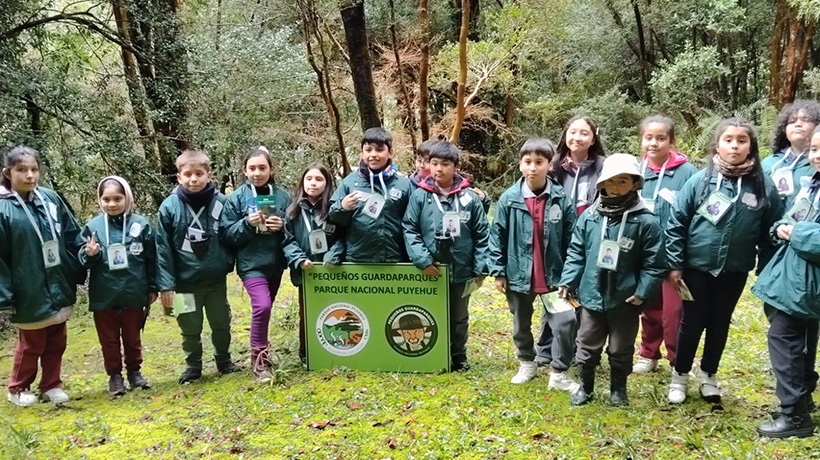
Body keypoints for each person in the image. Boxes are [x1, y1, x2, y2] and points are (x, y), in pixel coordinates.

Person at [665, 118, 784, 404]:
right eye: (728, 139)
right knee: (692, 322)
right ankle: (679, 377)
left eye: (741, 140)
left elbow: (773, 229)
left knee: (720, 323)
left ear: (751, 147)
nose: (734, 145)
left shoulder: (762, 185)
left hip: (734, 268)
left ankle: (708, 376)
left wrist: (767, 268)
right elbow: (676, 223)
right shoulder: (700, 180)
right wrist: (674, 264)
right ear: (717, 145)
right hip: (696, 266)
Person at [558, 153, 665, 406]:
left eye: (623, 181)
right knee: (587, 344)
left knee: (621, 348)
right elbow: (576, 252)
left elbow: (655, 263)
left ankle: (619, 389)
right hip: (591, 297)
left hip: (625, 300)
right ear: (602, 183)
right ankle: (586, 388)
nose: (616, 187)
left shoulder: (646, 222)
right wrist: (567, 281)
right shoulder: (590, 217)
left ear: (635, 184)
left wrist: (642, 292)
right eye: (611, 181)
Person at [489, 138, 578, 387]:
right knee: (521, 325)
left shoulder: (561, 198)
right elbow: (496, 237)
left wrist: (570, 276)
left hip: (554, 277)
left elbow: (574, 241)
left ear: (550, 165)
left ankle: (559, 372)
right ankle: (527, 363)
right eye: (528, 162)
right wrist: (498, 272)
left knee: (565, 322)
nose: (533, 168)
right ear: (520, 165)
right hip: (519, 276)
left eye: (539, 162)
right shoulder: (509, 199)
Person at [0, 146, 85, 406]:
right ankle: (18, 387)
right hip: (28, 288)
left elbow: (72, 235)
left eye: (34, 169)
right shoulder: (3, 209)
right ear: (7, 172)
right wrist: (5, 296)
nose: (29, 176)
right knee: (31, 343)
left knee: (57, 339)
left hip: (57, 282)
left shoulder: (49, 199)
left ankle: (51, 384)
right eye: (22, 170)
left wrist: (81, 261)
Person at [752, 127, 820, 439]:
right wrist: (781, 227)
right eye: (815, 149)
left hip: (809, 280)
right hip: (795, 278)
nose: (817, 156)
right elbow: (792, 217)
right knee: (795, 337)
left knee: (783, 339)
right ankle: (802, 398)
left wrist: (796, 233)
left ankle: (794, 415)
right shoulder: (813, 184)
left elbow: (804, 232)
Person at [403, 140, 490, 371]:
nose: (439, 169)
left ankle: (458, 355)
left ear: (456, 166)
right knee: (428, 313)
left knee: (459, 316)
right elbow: (409, 228)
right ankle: (432, 353)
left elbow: (482, 234)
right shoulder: (420, 196)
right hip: (431, 270)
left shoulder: (469, 198)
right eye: (434, 163)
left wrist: (480, 269)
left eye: (445, 164)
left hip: (461, 270)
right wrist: (423, 260)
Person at [157, 150, 240, 385]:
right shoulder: (169, 207)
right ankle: (193, 366)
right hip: (184, 283)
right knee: (189, 327)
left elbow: (232, 237)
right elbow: (163, 249)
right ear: (178, 177)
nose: (193, 179)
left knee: (221, 323)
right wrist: (166, 286)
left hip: (215, 281)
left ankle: (224, 361)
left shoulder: (222, 203)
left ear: (209, 175)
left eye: (199, 174)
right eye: (188, 174)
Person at [79, 176, 157, 396]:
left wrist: (152, 287)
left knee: (133, 337)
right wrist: (90, 254)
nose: (112, 204)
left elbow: (151, 258)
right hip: (105, 294)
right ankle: (114, 377)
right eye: (106, 199)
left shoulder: (140, 224)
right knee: (109, 340)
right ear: (100, 200)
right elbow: (81, 258)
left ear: (127, 198)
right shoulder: (93, 227)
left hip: (134, 291)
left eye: (117, 198)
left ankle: (135, 373)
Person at [539, 116, 606, 365]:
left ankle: (582, 351)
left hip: (590, 241)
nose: (577, 138)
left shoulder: (602, 166)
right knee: (553, 294)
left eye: (584, 133)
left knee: (584, 297)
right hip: (557, 240)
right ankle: (546, 351)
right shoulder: (553, 165)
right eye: (572, 132)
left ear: (593, 137)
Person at [632, 115, 698, 374]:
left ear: (672, 141)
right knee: (649, 309)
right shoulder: (636, 171)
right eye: (648, 138)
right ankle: (648, 354)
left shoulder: (688, 174)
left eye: (661, 138)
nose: (654, 143)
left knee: (674, 313)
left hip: (675, 256)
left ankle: (677, 359)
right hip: (644, 256)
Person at [221, 146, 291, 382]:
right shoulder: (236, 198)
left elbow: (294, 228)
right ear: (244, 170)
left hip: (275, 263)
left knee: (266, 308)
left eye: (262, 168)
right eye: (252, 168)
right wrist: (247, 224)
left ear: (271, 169)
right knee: (262, 307)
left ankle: (263, 352)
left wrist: (282, 227)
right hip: (251, 265)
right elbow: (227, 235)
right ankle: (259, 361)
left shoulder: (282, 196)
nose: (257, 173)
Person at [282, 162, 344, 360]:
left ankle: (338, 349)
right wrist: (299, 259)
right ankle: (307, 353)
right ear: (302, 183)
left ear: (327, 184)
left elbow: (344, 236)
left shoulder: (334, 210)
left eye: (319, 179)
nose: (313, 183)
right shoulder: (293, 211)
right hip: (307, 272)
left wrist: (334, 255)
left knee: (336, 311)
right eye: (309, 179)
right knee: (307, 312)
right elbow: (286, 240)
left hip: (332, 270)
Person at [329, 128, 412, 263]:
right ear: (362, 153)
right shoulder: (349, 182)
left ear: (390, 152)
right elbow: (333, 218)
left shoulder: (403, 185)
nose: (373, 155)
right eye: (368, 150)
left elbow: (412, 223)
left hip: (395, 259)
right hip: (358, 259)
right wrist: (342, 207)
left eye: (379, 150)